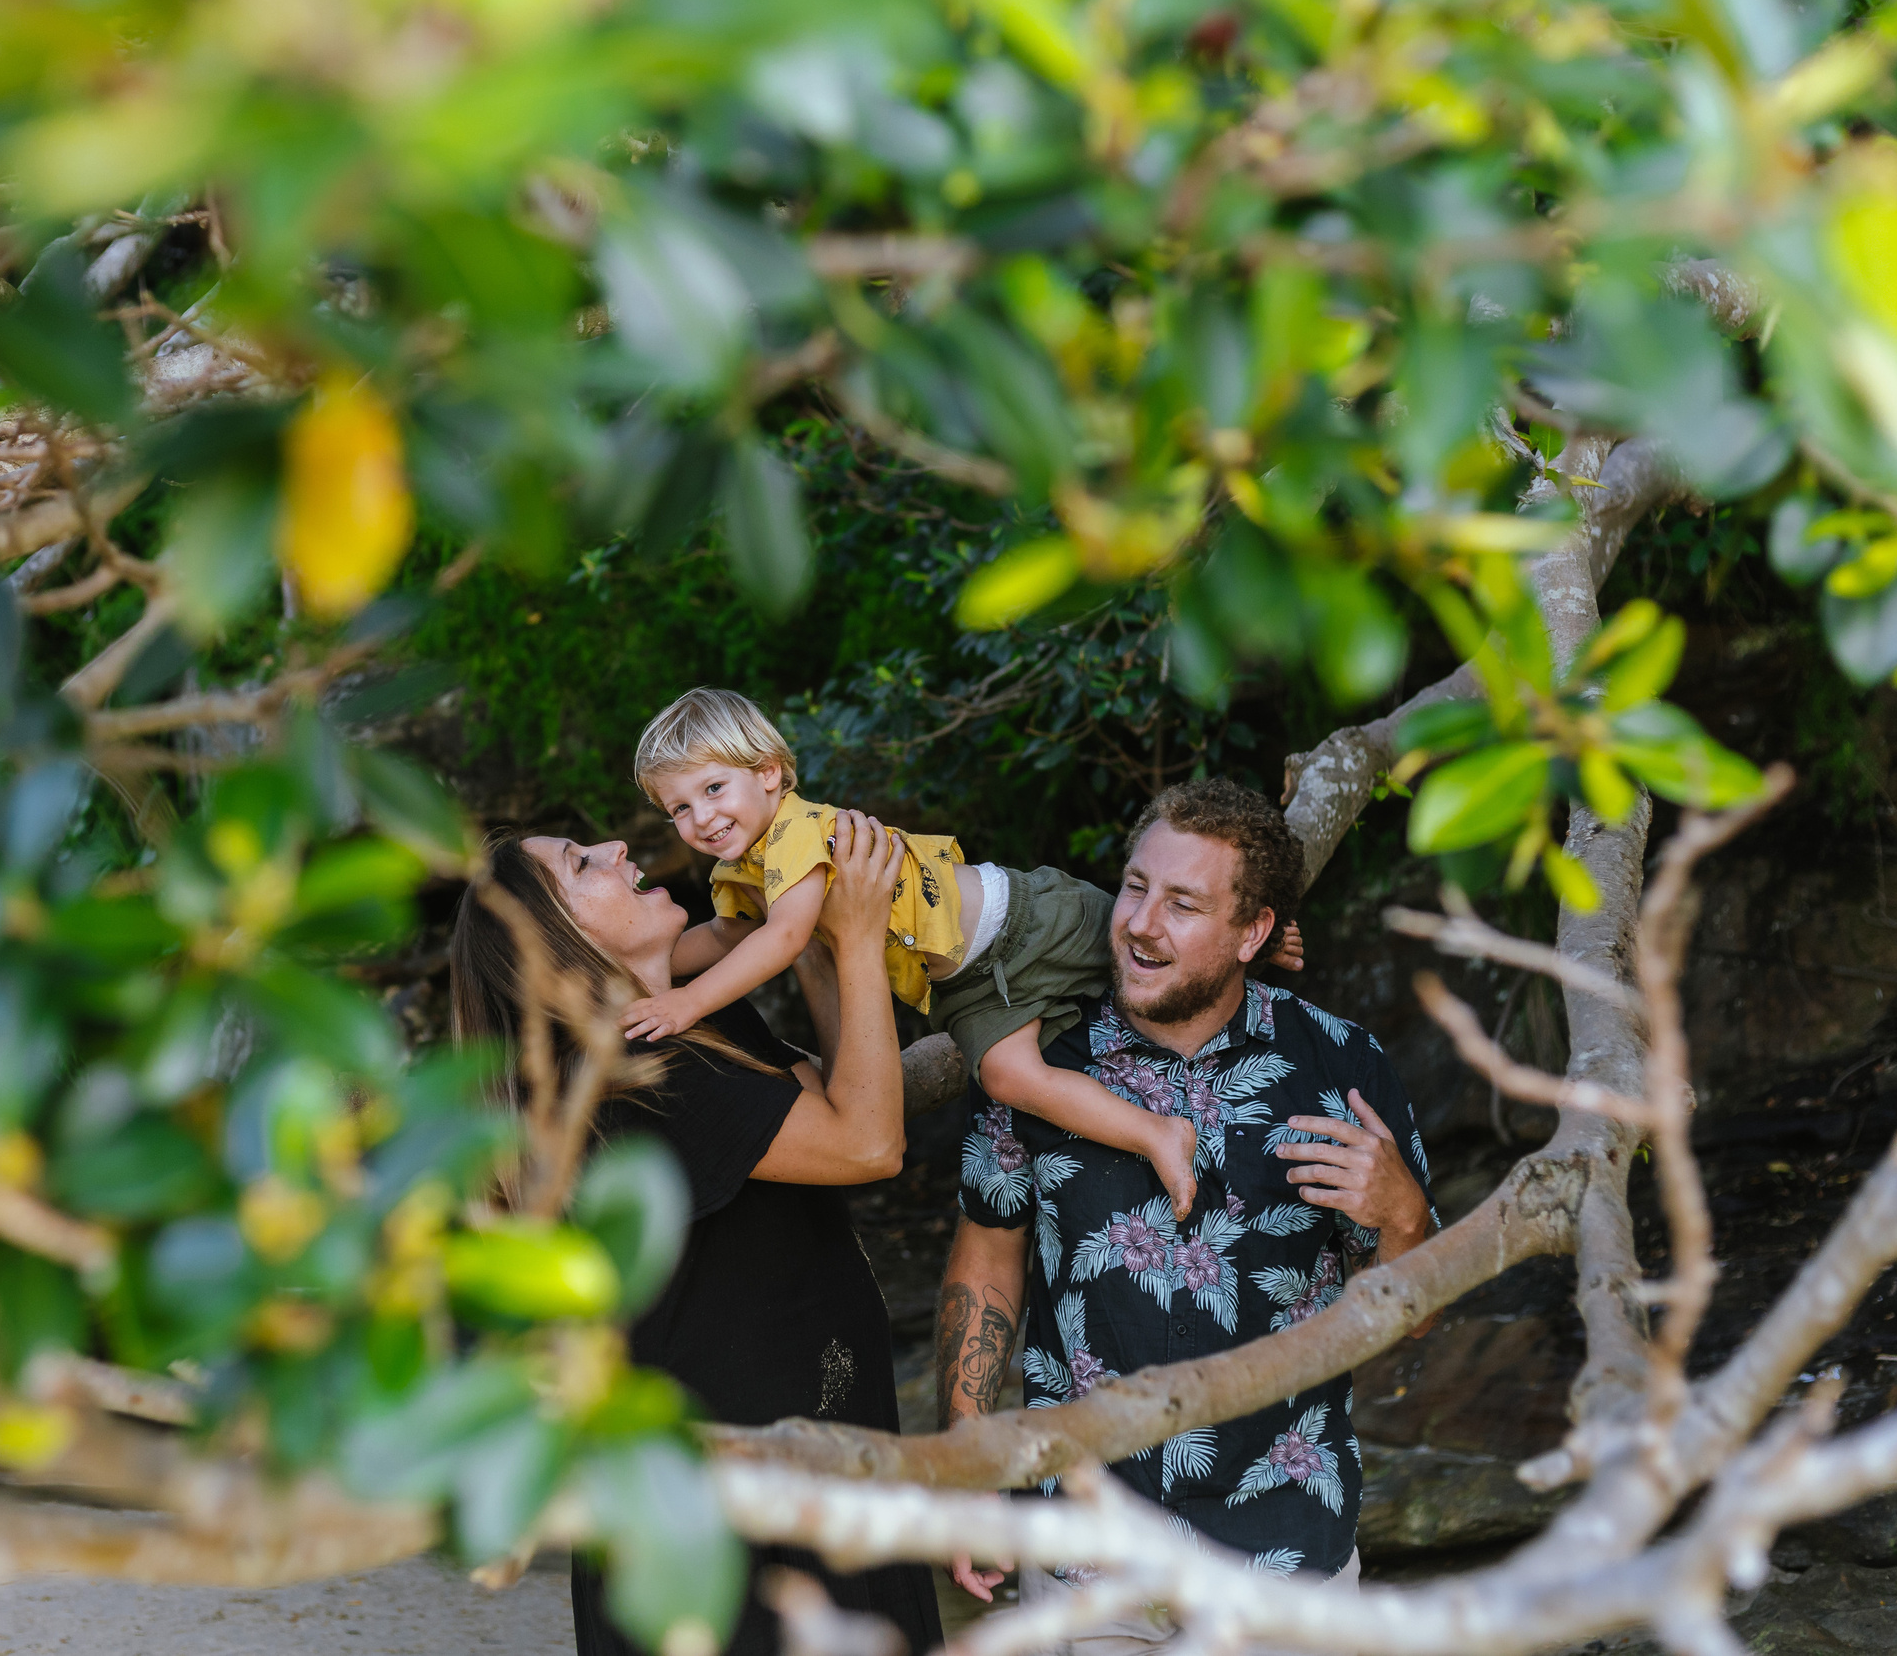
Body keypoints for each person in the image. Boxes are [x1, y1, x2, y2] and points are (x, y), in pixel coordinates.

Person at [935, 777, 1438, 1652]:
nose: (1140, 923)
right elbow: (988, 1255)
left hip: (1284, 1557)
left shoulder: (1340, 1064)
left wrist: (1401, 1213)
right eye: (1135, 886)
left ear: (1252, 932)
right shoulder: (1043, 1060)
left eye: (1182, 903)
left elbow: (1412, 1316)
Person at [448, 811, 943, 1656]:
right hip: (738, 1527)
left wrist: (821, 935)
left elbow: (839, 1097)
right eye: (582, 863)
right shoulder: (638, 1075)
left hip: (810, 1476)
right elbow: (868, 1142)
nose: (616, 850)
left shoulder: (684, 1024)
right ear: (554, 938)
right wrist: (859, 939)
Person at [622, 687, 1303, 1218]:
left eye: (713, 789)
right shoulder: (740, 870)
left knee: (1153, 939)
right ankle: (1160, 1133)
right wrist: (623, 964)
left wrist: (685, 1002)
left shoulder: (796, 833)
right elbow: (723, 936)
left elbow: (785, 936)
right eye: (678, 808)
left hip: (1024, 921)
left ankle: (1261, 940)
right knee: (1009, 1077)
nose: (700, 818)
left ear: (769, 772)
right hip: (973, 983)